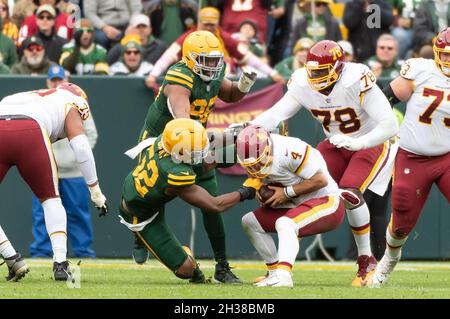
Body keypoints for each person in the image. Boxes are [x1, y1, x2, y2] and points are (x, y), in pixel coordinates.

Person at [229, 40, 399, 286]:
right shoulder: (302, 82)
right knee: (310, 182)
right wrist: (251, 126)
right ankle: (280, 261)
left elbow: (389, 124)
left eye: (321, 71)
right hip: (336, 144)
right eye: (312, 71)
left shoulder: (356, 78)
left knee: (350, 191)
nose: (315, 77)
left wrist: (361, 143)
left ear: (338, 67)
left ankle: (366, 259)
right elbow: (278, 114)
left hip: (372, 141)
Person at [134, 30, 258, 284]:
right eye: (206, 60)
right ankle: (141, 234)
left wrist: (243, 85)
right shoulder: (180, 78)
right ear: (190, 59)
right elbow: (182, 123)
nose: (212, 67)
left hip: (194, 141)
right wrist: (214, 148)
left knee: (211, 205)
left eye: (215, 60)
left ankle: (222, 266)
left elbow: (231, 94)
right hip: (161, 145)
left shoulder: (212, 75)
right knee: (153, 199)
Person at [120, 118, 257, 282]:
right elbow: (215, 205)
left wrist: (242, 141)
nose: (202, 152)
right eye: (195, 151)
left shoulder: (166, 141)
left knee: (208, 160)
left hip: (148, 192)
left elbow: (208, 149)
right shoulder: (175, 173)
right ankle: (144, 238)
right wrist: (247, 191)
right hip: (142, 215)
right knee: (186, 270)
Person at [0, 83, 108, 281]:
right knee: (51, 199)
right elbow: (82, 147)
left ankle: (11, 256)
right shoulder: (72, 101)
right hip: (30, 130)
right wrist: (95, 190)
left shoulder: (21, 95)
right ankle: (60, 263)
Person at [368, 28, 450, 287]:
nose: (448, 61)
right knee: (402, 214)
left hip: (448, 156)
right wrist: (380, 127)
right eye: (445, 56)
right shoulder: (421, 70)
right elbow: (386, 98)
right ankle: (389, 260)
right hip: (413, 155)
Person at [237, 125, 351, 287]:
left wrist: (286, 193)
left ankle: (283, 276)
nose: (255, 168)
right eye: (250, 165)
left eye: (258, 161)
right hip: (296, 203)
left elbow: (321, 180)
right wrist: (258, 187)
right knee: (249, 222)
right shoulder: (250, 154)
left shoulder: (290, 150)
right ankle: (274, 272)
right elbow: (255, 174)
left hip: (327, 202)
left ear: (268, 148)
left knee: (285, 223)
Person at [30, 65, 98, 259]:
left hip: (73, 171)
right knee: (43, 214)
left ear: (66, 81)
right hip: (46, 171)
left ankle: (83, 253)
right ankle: (41, 253)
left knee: (78, 215)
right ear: (47, 82)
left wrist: (77, 156)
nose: (56, 83)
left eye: (60, 80)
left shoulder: (77, 103)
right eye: (53, 80)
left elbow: (91, 135)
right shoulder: (39, 104)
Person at [144, 7, 284, 89]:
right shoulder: (188, 37)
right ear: (199, 22)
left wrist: (272, 73)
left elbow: (248, 57)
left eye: (212, 24)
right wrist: (154, 74)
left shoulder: (223, 36)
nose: (209, 28)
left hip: (219, 85)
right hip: (193, 83)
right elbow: (168, 56)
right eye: (206, 24)